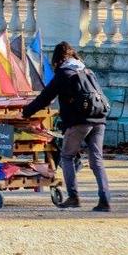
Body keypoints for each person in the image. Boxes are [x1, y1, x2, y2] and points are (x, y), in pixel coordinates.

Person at [21, 41, 111, 212]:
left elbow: (45, 98)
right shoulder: (87, 71)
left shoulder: (64, 73)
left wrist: (25, 113)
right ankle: (105, 199)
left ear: (57, 59)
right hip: (99, 119)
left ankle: (73, 196)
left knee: (67, 157)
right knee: (96, 160)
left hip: (79, 121)